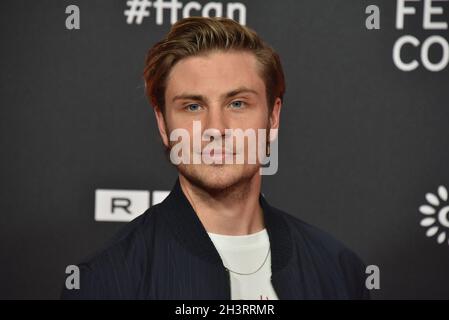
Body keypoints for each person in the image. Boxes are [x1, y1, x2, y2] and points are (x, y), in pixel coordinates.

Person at [61, 16, 370, 300]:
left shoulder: (340, 272)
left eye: (237, 103)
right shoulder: (106, 283)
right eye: (193, 107)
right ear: (163, 125)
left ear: (273, 118)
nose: (215, 129)